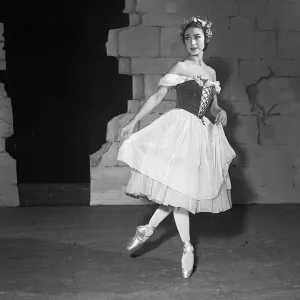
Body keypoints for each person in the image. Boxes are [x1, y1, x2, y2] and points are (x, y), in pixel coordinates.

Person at [117, 16, 236, 279]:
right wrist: (133, 122)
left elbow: (212, 106)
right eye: (188, 38)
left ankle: (147, 230)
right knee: (180, 196)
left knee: (179, 195)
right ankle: (187, 247)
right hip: (181, 130)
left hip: (201, 134)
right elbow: (158, 95)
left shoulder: (212, 73)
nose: (193, 42)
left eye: (197, 37)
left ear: (206, 39)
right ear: (184, 42)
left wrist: (221, 111)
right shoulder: (181, 67)